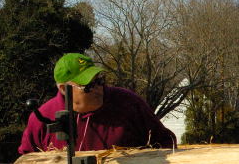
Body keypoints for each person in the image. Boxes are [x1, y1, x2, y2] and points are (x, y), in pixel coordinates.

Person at [18, 53, 176, 154]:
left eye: (99, 81)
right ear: (64, 89)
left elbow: (166, 141)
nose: (98, 89)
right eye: (88, 86)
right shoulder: (42, 118)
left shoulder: (128, 103)